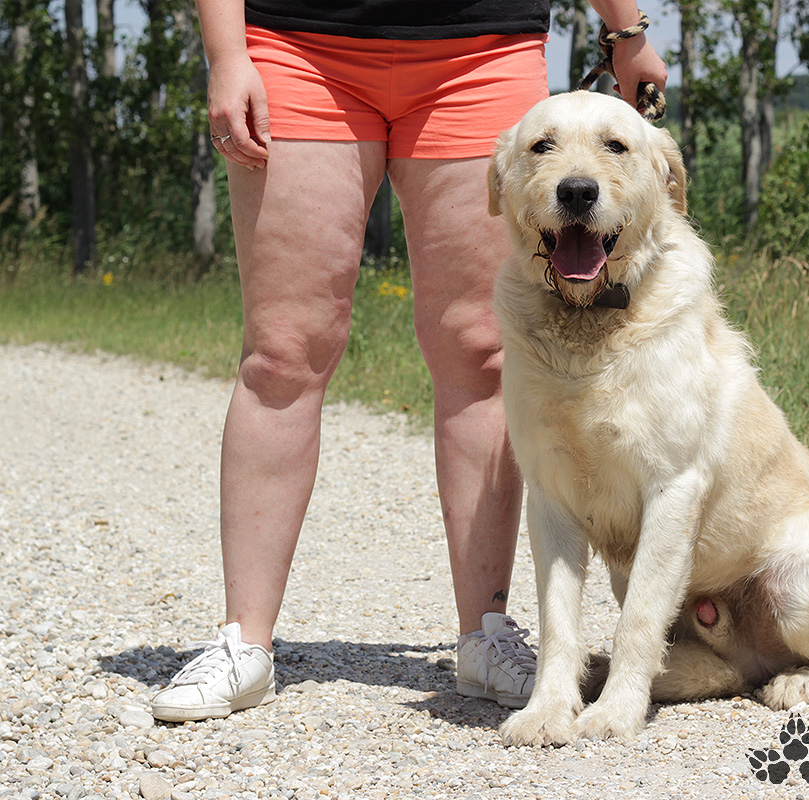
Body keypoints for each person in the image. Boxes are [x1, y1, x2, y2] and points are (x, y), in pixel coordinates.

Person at [150, 0, 667, 721]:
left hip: (479, 51)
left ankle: (486, 635)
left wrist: (626, 30)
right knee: (282, 354)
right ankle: (245, 643)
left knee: (481, 352)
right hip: (298, 47)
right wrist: (227, 54)